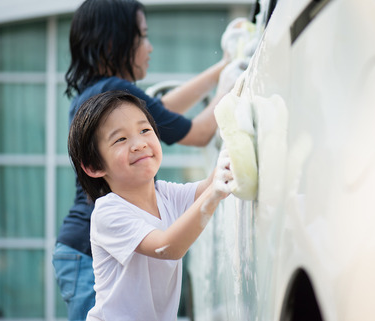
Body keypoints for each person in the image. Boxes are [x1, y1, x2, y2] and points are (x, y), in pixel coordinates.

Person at [52, 0, 247, 320]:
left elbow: (160, 112)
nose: (150, 47)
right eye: (142, 36)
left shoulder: (97, 97)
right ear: (116, 42)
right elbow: (196, 132)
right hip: (96, 249)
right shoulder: (115, 95)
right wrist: (230, 91)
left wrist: (222, 68)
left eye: (145, 131)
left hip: (79, 247)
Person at [68, 90, 232, 320]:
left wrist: (234, 147)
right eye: (120, 139)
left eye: (145, 130)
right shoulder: (108, 212)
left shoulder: (166, 194)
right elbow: (167, 247)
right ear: (95, 166)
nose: (139, 144)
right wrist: (215, 191)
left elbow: (209, 185)